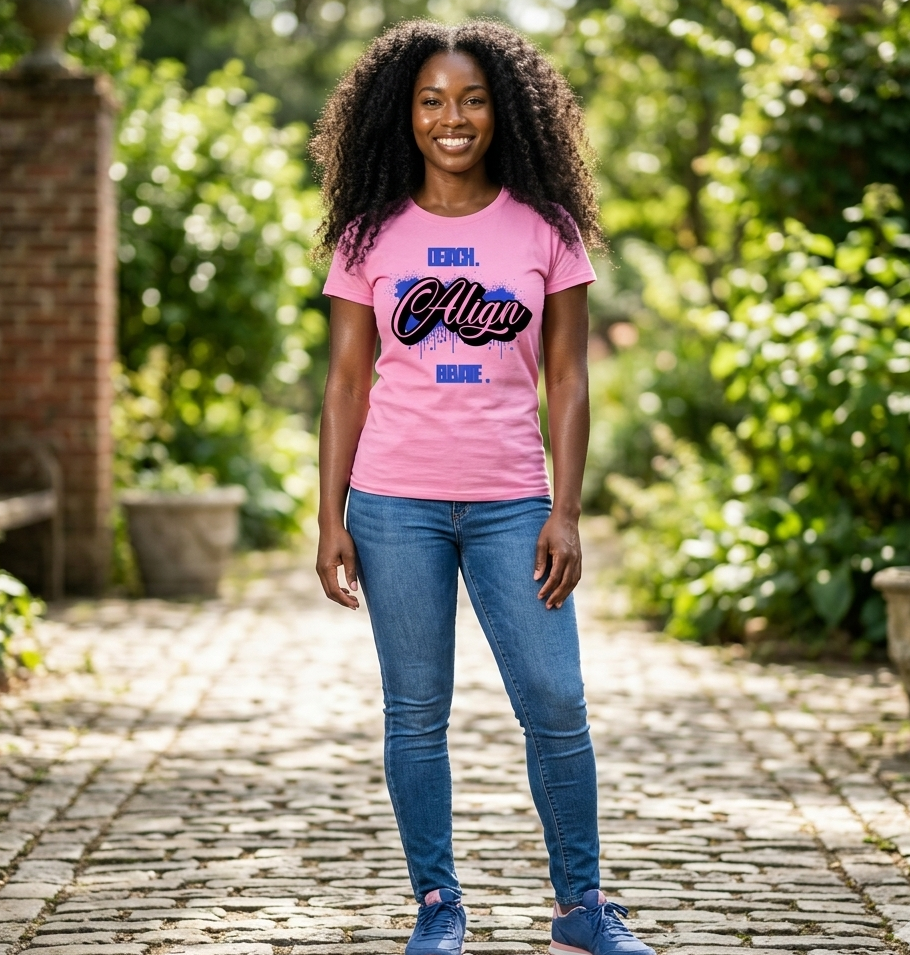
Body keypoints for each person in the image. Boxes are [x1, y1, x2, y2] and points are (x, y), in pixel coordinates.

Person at [311, 20, 656, 955]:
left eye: (470, 100)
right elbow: (344, 383)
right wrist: (329, 516)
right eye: (430, 101)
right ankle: (437, 903)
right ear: (403, 114)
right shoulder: (368, 235)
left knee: (555, 700)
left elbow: (569, 378)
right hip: (394, 503)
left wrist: (566, 511)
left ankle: (581, 904)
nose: (451, 118)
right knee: (415, 712)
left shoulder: (547, 228)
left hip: (513, 501)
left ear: (502, 112)